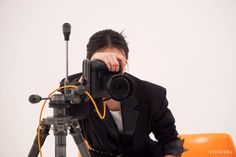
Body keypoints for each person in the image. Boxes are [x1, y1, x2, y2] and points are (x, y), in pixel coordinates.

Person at [62, 29, 184, 157]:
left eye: (117, 62)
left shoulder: (152, 94)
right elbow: (71, 112)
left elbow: (171, 141)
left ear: (125, 62)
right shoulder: (73, 86)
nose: (110, 68)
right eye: (102, 63)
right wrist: (87, 75)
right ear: (89, 64)